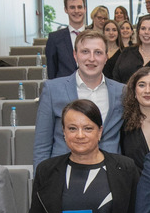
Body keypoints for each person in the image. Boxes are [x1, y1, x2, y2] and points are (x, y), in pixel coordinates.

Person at [34, 30, 124, 166]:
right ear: (75, 55)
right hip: (63, 172)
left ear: (106, 57)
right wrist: (42, 183)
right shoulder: (52, 90)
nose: (91, 58)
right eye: (85, 52)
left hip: (110, 172)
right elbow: (42, 145)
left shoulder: (122, 91)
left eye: (98, 53)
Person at [106, 14, 150, 83]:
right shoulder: (127, 52)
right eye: (143, 28)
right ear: (138, 32)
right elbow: (116, 76)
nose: (146, 32)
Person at [45, 0, 87, 79]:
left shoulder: (96, 36)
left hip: (91, 89)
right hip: (63, 89)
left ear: (85, 9)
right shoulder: (54, 38)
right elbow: (52, 72)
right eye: (72, 7)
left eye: (79, 7)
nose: (76, 11)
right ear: (65, 10)